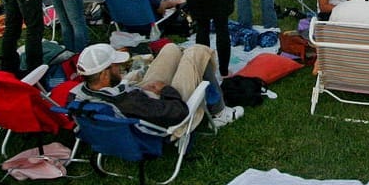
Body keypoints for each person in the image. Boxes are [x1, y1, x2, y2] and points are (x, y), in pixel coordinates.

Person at [70, 43, 242, 129]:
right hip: (168, 108)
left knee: (170, 48)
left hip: (141, 97)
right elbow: (177, 113)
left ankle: (183, 61)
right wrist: (164, 90)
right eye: (115, 66)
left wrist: (134, 87)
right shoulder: (127, 101)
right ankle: (219, 112)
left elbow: (126, 99)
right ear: (104, 74)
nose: (119, 68)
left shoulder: (79, 94)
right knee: (197, 52)